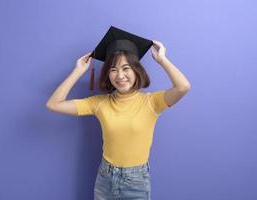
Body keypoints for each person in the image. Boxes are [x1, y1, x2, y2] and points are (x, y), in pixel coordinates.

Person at [46, 26, 191, 200]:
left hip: (136, 182)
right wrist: (77, 71)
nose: (120, 75)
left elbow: (183, 87)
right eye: (113, 70)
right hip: (105, 179)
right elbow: (54, 104)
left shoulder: (152, 102)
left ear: (136, 70)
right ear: (108, 75)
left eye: (126, 68)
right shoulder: (99, 103)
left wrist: (162, 60)